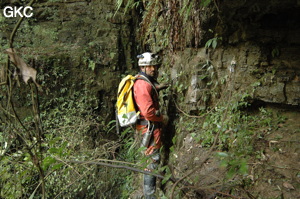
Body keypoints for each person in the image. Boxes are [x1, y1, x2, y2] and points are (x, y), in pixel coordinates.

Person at [133, 52, 169, 199]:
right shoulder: (142, 85)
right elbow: (148, 112)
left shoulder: (145, 81)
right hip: (149, 128)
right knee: (152, 160)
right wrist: (162, 118)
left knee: (152, 158)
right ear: (143, 67)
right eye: (150, 66)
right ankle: (149, 195)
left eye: (154, 65)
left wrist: (158, 88)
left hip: (150, 127)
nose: (153, 69)